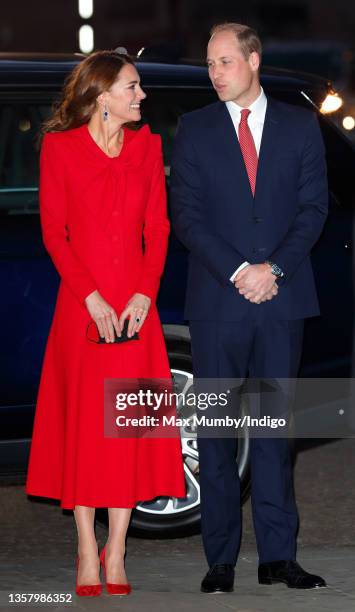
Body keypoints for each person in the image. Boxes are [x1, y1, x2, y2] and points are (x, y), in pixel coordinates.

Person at [170, 23, 328, 593]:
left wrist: (273, 270)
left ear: (254, 60)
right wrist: (240, 272)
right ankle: (220, 560)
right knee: (215, 433)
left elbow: (313, 210)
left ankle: (278, 558)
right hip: (217, 302)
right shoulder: (194, 129)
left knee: (272, 433)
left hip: (281, 302)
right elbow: (187, 216)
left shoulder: (300, 125)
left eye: (225, 61)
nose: (215, 73)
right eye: (210, 63)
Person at [25, 49, 186, 597]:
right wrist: (91, 297)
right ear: (102, 97)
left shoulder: (148, 148)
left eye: (139, 87)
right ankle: (86, 550)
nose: (141, 96)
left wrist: (144, 293)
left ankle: (117, 549)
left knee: (128, 431)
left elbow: (159, 230)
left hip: (137, 310)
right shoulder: (60, 149)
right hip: (82, 309)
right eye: (133, 87)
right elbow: (54, 233)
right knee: (87, 432)